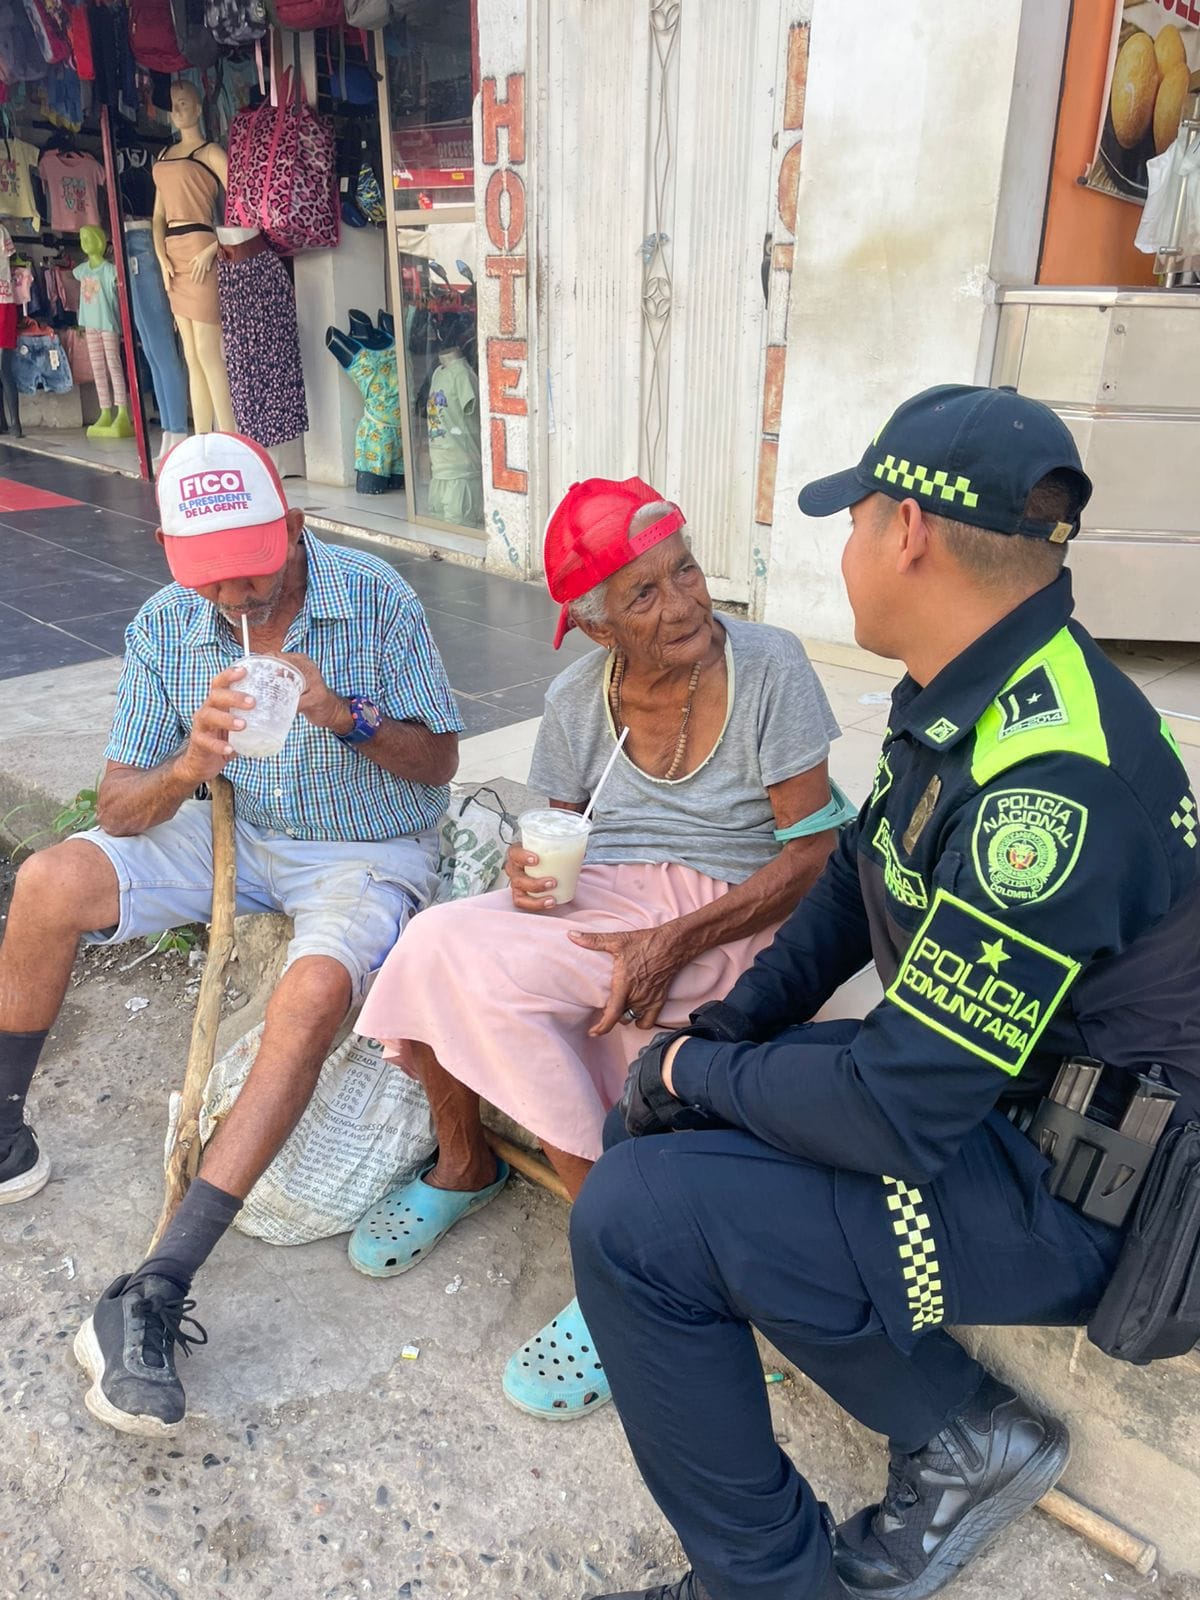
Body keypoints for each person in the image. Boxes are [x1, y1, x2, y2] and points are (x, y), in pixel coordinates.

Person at [569, 385, 1200, 1600]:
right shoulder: (970, 682)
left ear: (906, 528)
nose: (846, 546)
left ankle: (766, 1587)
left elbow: (894, 1110)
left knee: (643, 1219)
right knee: (662, 1128)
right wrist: (722, 1033)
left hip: (1088, 1190)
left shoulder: (1052, 784)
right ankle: (966, 1434)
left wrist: (698, 1070)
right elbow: (864, 868)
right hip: (994, 1109)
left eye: (851, 518)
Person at [353, 475, 848, 1421]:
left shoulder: (770, 667)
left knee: (489, 983)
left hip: (733, 914)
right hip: (610, 900)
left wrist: (670, 940)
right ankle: (466, 1161)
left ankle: (630, 1269)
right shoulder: (582, 694)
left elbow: (815, 854)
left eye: (688, 571)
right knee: (430, 940)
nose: (686, 602)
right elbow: (559, 825)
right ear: (597, 627)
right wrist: (526, 868)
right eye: (646, 595)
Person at [0, 433, 463, 1437]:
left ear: (294, 527)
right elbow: (121, 802)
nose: (233, 598)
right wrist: (187, 764)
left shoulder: (377, 597)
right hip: (233, 832)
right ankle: (3, 1129)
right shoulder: (170, 623)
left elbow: (437, 765)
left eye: (250, 569)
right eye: (208, 577)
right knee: (50, 878)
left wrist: (346, 717)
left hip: (366, 846)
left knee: (310, 996)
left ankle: (156, 1287)